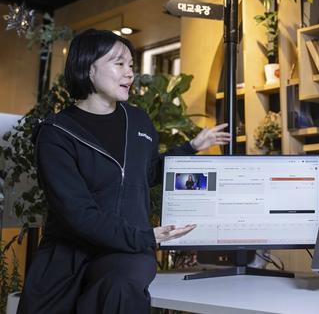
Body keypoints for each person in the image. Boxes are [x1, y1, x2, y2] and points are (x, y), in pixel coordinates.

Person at [18, 29, 231, 314]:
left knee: (119, 287)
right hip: (69, 253)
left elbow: (147, 174)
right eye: (119, 63)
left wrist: (191, 147)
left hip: (125, 252)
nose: (130, 73)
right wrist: (146, 236)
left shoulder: (139, 121)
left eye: (131, 64)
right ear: (88, 68)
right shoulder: (56, 133)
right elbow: (77, 213)